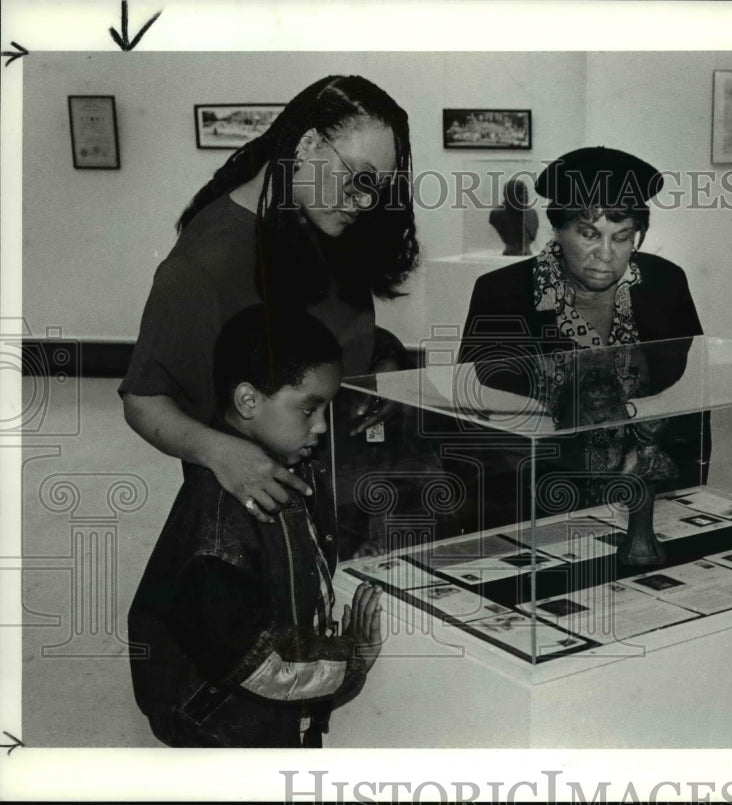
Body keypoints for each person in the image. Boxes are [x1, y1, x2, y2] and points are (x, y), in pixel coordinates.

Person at [119, 75, 418, 555]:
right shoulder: (203, 264)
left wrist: (381, 364)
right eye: (359, 180)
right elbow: (144, 399)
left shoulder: (323, 219)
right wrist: (220, 451)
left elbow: (327, 335)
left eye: (376, 190)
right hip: (267, 518)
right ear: (307, 145)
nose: (364, 203)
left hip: (347, 499)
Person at [128, 305, 383, 748]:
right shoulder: (220, 523)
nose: (322, 426)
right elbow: (260, 664)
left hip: (268, 716)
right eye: (309, 409)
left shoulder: (287, 466)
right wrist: (351, 660)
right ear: (248, 400)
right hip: (224, 733)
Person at [458, 146, 710, 526]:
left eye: (623, 237)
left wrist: (678, 486)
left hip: (649, 493)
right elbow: (476, 419)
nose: (606, 254)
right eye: (589, 234)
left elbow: (692, 400)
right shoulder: (502, 293)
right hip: (538, 499)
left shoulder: (664, 283)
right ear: (558, 227)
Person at [488, 178, 539, 256]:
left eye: (525, 193)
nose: (523, 197)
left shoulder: (532, 214)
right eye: (518, 194)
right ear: (507, 196)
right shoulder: (497, 214)